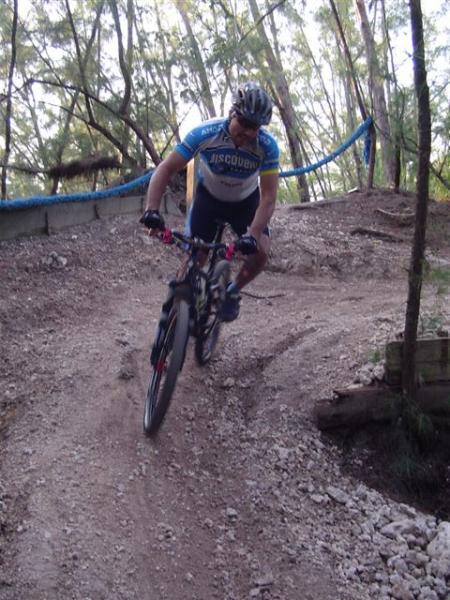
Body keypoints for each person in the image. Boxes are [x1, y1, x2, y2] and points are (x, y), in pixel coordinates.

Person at [140, 81, 280, 322]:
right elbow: (165, 169)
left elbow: (268, 196)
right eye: (243, 123)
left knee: (261, 252)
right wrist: (151, 210)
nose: (247, 131)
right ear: (231, 113)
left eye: (254, 127)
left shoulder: (267, 147)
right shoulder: (205, 133)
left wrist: (254, 233)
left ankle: (233, 291)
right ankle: (176, 313)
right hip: (209, 199)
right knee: (195, 258)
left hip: (246, 203)